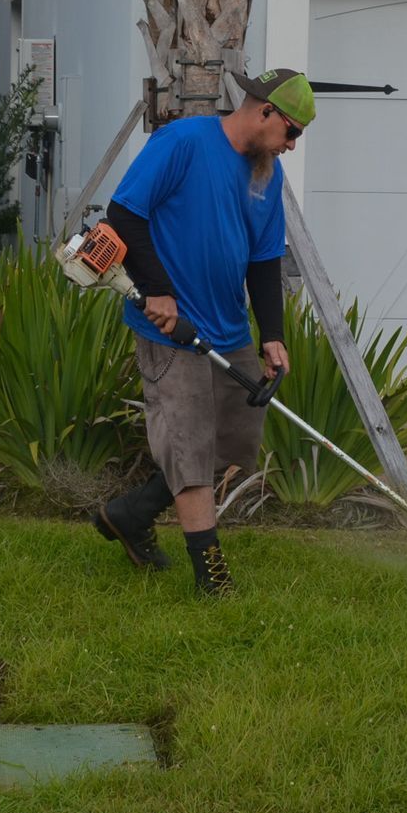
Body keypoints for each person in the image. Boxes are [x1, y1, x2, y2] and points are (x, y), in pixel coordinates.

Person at [91, 67, 315, 596]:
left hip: (227, 327)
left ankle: (132, 513)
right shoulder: (184, 141)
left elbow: (264, 259)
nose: (292, 145)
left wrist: (272, 336)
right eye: (292, 132)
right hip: (171, 327)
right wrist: (158, 290)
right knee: (188, 445)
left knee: (229, 443)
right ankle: (212, 577)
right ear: (265, 112)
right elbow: (124, 213)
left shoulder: (266, 172)